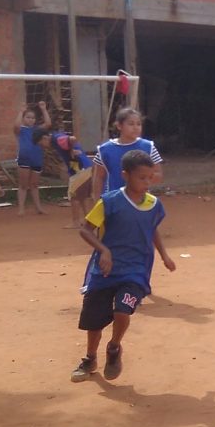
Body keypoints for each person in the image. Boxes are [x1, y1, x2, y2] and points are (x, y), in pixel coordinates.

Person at [71, 149, 176, 382]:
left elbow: (152, 230)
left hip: (135, 271)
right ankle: (90, 358)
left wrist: (164, 255)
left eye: (151, 177)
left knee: (122, 310)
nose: (147, 182)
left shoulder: (153, 204)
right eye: (142, 177)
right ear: (125, 175)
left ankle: (114, 347)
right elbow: (85, 229)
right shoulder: (109, 202)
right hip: (105, 271)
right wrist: (104, 250)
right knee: (94, 321)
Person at [93, 107, 164, 197]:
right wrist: (97, 200)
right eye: (131, 124)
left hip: (141, 199)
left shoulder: (149, 147)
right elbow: (98, 178)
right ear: (119, 126)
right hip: (113, 200)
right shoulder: (104, 149)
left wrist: (141, 179)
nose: (135, 127)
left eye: (138, 124)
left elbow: (158, 175)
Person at [50, 128, 95, 227]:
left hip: (78, 170)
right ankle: (88, 219)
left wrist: (72, 150)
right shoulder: (60, 138)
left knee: (74, 197)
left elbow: (73, 139)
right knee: (82, 196)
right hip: (86, 167)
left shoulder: (56, 138)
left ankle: (76, 222)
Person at [14, 101, 50, 215]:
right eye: (28, 117)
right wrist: (20, 111)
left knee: (34, 185)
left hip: (36, 158)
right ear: (24, 118)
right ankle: (21, 209)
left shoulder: (37, 129)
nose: (31, 120)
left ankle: (38, 208)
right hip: (24, 159)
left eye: (33, 118)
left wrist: (43, 109)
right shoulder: (21, 130)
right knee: (23, 185)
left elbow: (48, 124)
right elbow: (16, 126)